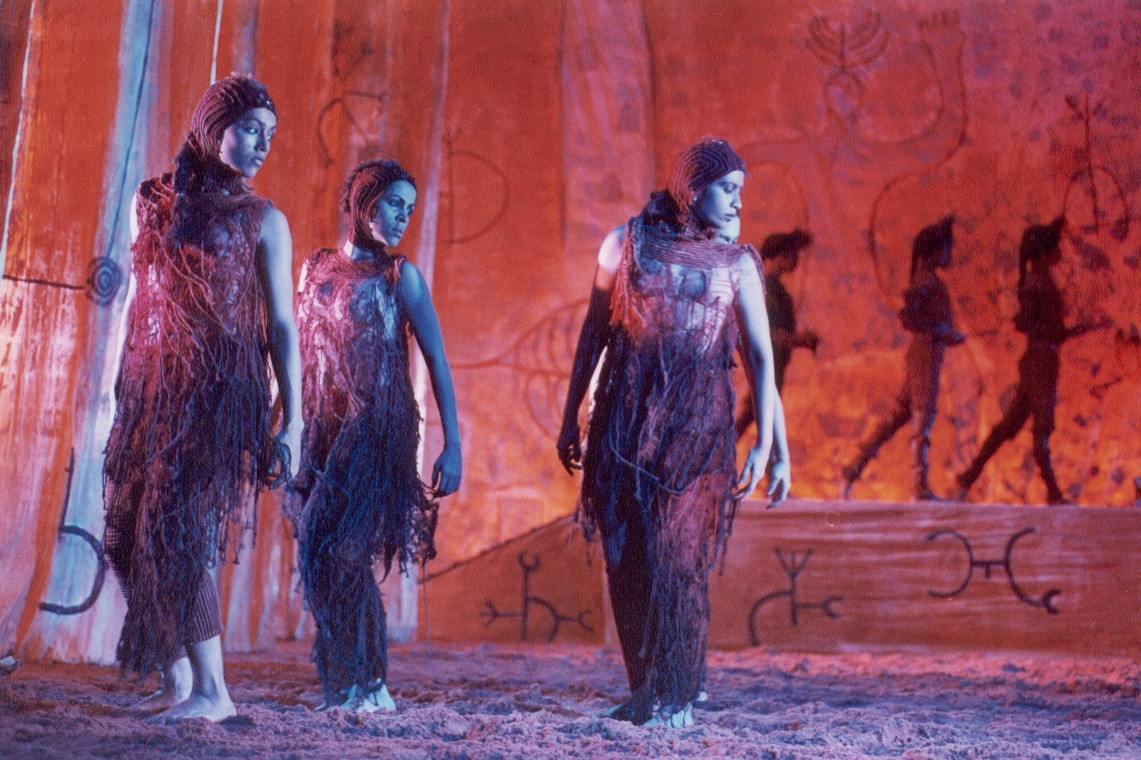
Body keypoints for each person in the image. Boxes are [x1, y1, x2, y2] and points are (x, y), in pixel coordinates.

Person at [557, 138, 791, 728]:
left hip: (697, 431)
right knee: (627, 557)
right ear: (694, 188)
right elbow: (594, 333)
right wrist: (570, 415)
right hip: (625, 424)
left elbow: (761, 357)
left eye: (740, 190)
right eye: (728, 189)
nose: (738, 202)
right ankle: (647, 691)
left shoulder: (737, 264)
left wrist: (768, 444)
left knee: (680, 561)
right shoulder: (627, 244)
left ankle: (680, 694)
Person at [102, 75, 302, 722]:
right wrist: (124, 377)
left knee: (179, 531)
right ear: (213, 126)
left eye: (270, 135)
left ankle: (214, 694)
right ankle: (179, 679)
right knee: (126, 533)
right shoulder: (152, 200)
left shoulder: (264, 220)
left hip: (220, 396)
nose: (261, 144)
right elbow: (144, 296)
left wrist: (293, 419)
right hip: (152, 389)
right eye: (250, 129)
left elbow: (281, 326)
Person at [287, 159, 461, 713]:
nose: (403, 217)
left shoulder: (399, 277)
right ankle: (344, 680)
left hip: (378, 432)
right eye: (394, 204)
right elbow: (296, 350)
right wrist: (283, 420)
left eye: (410, 209)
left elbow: (436, 359)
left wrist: (453, 444)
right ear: (365, 202)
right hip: (323, 431)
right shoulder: (315, 268)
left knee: (342, 550)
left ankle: (371, 682)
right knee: (316, 550)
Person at [955, 216, 1093, 505]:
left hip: (1041, 358)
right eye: (1054, 247)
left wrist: (1065, 331)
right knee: (1041, 426)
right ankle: (1052, 491)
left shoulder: (1039, 280)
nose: (1059, 252)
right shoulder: (1036, 283)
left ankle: (970, 474)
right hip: (1040, 360)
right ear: (1044, 253)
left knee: (1010, 424)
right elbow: (1030, 322)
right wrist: (1058, 331)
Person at [841, 215, 963, 501]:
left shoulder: (928, 280)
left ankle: (854, 467)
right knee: (923, 419)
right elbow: (909, 316)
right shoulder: (925, 281)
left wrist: (943, 334)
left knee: (898, 417)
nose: (949, 254)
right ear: (934, 252)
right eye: (946, 249)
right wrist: (940, 332)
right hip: (925, 356)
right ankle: (919, 485)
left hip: (926, 353)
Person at [735, 229, 819, 438]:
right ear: (778, 256)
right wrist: (798, 339)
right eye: (790, 254)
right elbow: (767, 333)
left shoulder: (773, 290)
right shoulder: (770, 290)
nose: (795, 259)